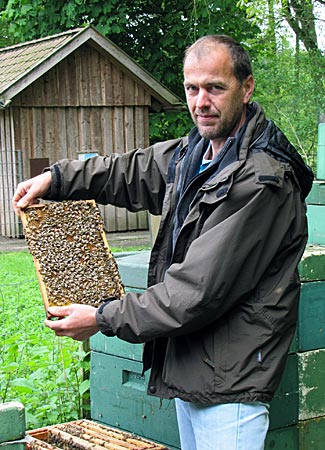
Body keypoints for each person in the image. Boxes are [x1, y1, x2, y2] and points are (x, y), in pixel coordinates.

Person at [12, 35, 313, 450]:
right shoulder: (198, 152)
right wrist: (58, 178)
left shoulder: (262, 182)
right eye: (192, 88)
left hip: (231, 384)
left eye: (215, 87)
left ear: (246, 88)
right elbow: (129, 171)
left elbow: (193, 293)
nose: (201, 101)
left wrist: (102, 318)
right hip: (197, 367)